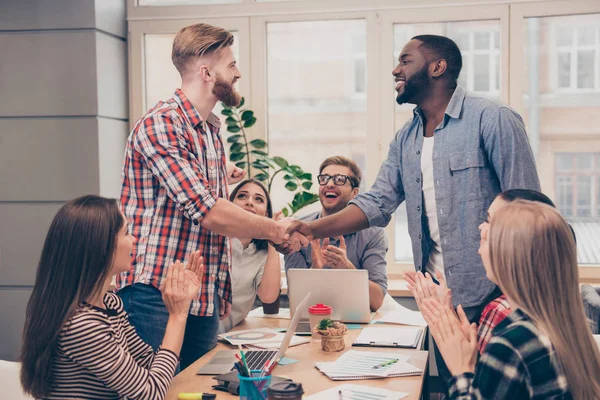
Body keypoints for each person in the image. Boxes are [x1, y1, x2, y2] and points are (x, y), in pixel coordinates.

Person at [283, 34, 540, 386]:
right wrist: (312, 229)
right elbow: (376, 202)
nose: (395, 69)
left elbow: (528, 210)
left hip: (497, 300)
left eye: (405, 61)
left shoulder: (493, 119)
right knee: (455, 390)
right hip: (439, 303)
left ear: (437, 67)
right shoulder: (406, 139)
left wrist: (524, 297)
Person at [116, 23, 307, 370]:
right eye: (231, 65)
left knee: (198, 389)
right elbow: (207, 212)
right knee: (155, 393)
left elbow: (207, 218)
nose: (238, 73)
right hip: (152, 293)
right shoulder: (162, 124)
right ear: (206, 72)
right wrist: (275, 230)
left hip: (199, 294)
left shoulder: (209, 131)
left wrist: (218, 287)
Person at [20, 195, 203, 400]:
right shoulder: (82, 325)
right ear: (100, 246)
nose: (134, 240)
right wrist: (178, 315)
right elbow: (150, 394)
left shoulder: (110, 304)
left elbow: (147, 363)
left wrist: (180, 308)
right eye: (126, 232)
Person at [417, 200, 600, 399]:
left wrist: (462, 368)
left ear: (508, 257)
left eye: (487, 240)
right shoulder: (570, 328)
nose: (479, 250)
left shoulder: (512, 345)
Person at [406, 188, 560, 354]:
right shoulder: (554, 310)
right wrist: (447, 313)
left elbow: (473, 374)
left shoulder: (500, 313)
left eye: (489, 221)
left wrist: (441, 319)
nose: (481, 228)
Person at [283, 156, 388, 311]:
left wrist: (348, 270)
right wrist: (314, 271)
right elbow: (296, 300)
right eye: (324, 179)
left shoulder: (373, 234)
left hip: (356, 324)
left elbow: (377, 301)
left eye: (340, 179)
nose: (330, 184)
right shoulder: (299, 231)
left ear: (355, 193)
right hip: (312, 322)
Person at [218, 179, 282, 333]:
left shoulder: (263, 254)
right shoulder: (214, 241)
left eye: (258, 199)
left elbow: (268, 296)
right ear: (229, 205)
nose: (249, 203)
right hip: (195, 337)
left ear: (267, 214)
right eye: (242, 196)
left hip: (228, 339)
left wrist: (272, 235)